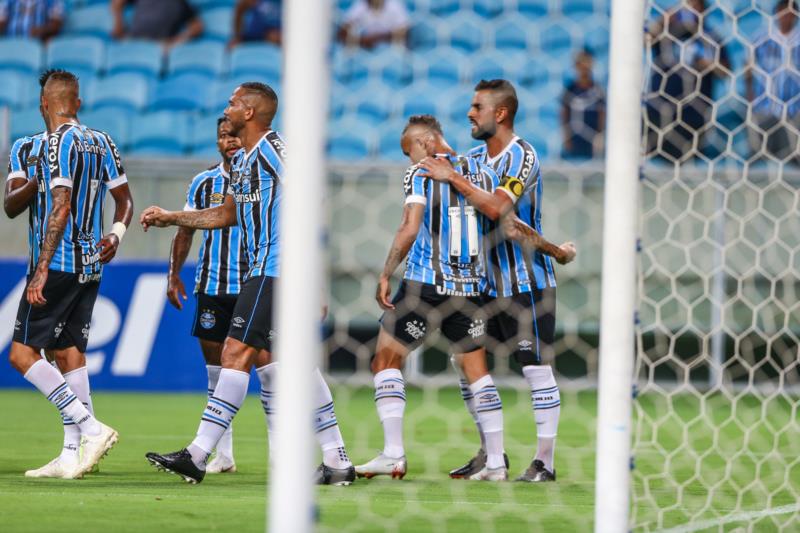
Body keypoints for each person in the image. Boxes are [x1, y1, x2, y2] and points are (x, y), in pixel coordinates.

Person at [139, 82, 355, 485]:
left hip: (279, 267)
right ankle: (338, 460)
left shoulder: (276, 151)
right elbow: (226, 215)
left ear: (251, 112)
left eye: (234, 103)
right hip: (265, 269)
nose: (228, 108)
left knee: (235, 353)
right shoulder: (242, 162)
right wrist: (173, 217)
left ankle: (198, 454)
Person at [422, 79, 576, 483]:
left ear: (501, 113)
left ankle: (545, 461)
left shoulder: (522, 156)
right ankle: (491, 454)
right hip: (482, 287)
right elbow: (446, 167)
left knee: (534, 368)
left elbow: (498, 208)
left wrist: (453, 178)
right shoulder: (473, 159)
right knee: (467, 361)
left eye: (477, 107)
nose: (470, 114)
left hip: (527, 283)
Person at [355, 114, 507, 482]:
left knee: (386, 360)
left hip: (425, 284)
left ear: (422, 144)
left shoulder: (420, 172)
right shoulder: (482, 173)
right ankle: (498, 462)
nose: (410, 160)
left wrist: (386, 272)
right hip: (470, 287)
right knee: (477, 372)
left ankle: (393, 454)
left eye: (409, 152)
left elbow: (409, 227)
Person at [4, 69, 133, 479]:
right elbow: (124, 200)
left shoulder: (56, 142)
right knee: (69, 353)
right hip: (90, 268)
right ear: (76, 102)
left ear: (44, 104)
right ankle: (71, 454)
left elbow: (58, 207)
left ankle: (92, 429)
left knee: (22, 354)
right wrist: (116, 233)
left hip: (57, 264)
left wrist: (40, 270)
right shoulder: (98, 141)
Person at [166, 117, 246, 474]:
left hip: (252, 286)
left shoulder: (263, 179)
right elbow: (185, 229)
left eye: (234, 135)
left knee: (268, 370)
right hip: (212, 286)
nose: (229, 141)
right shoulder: (204, 182)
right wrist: (173, 274)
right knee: (216, 372)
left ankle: (281, 454)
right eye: (223, 137)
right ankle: (222, 455)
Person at [644, 0, 729, 162]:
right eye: (688, 5)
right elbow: (645, 40)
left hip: (693, 114)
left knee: (685, 164)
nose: (692, 10)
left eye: (697, 6)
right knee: (650, 161)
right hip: (659, 109)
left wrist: (707, 63)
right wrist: (664, 18)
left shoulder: (712, 38)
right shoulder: (668, 31)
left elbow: (725, 71)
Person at [746, 0, 800, 163]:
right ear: (777, 13)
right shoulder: (761, 37)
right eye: (784, 13)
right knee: (759, 155)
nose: (787, 18)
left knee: (793, 156)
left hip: (794, 110)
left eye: (791, 14)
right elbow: (747, 67)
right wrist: (750, 95)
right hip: (764, 106)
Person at [561, 48, 606, 159]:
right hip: (575, 137)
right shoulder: (570, 89)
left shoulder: (597, 90)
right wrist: (566, 137)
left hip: (592, 137)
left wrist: (600, 136)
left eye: (587, 62)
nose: (584, 67)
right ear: (576, 65)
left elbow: (602, 113)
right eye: (581, 62)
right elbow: (564, 113)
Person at [111, 0, 203, 51]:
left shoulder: (181, 3)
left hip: (157, 46)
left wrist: (176, 42)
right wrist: (118, 24)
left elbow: (197, 27)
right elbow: (117, 2)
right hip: (132, 41)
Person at [338, 0, 409, 49]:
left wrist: (376, 38)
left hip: (389, 49)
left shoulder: (394, 6)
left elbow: (405, 33)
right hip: (364, 49)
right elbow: (343, 32)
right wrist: (362, 41)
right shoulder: (361, 5)